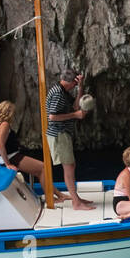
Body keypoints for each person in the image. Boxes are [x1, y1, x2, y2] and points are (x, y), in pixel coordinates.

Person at [0, 100, 67, 200]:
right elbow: (0, 145)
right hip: (11, 158)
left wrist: (1, 156)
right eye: (13, 112)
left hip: (5, 157)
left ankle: (59, 195)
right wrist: (7, 164)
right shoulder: (4, 124)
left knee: (39, 171)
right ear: (8, 112)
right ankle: (51, 199)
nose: (14, 115)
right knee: (43, 168)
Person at [45, 69, 94, 210]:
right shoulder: (57, 94)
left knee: (70, 166)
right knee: (69, 167)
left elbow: (74, 106)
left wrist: (80, 88)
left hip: (63, 133)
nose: (75, 85)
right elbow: (52, 117)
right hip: (58, 134)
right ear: (71, 82)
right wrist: (75, 115)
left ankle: (76, 198)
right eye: (75, 83)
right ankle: (76, 203)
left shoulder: (63, 91)